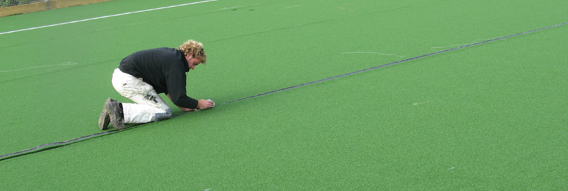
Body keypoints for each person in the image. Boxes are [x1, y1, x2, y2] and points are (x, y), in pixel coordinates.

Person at [98, 40, 215, 130]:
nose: (193, 68)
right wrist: (199, 103)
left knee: (160, 108)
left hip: (123, 77)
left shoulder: (173, 56)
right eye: (194, 63)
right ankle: (119, 110)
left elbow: (169, 88)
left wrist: (181, 105)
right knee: (164, 112)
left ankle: (113, 111)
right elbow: (179, 97)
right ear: (189, 54)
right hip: (129, 81)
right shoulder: (176, 64)